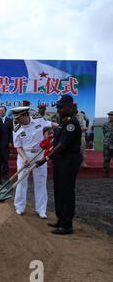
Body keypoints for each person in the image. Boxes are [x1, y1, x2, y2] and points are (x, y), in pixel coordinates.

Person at [35, 94, 82, 235]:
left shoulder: (72, 123)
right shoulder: (63, 121)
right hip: (61, 161)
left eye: (61, 107)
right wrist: (47, 148)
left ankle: (67, 225)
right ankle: (61, 219)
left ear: (69, 106)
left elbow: (62, 145)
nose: (59, 110)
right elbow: (56, 140)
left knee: (66, 192)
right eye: (58, 107)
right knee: (59, 190)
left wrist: (46, 158)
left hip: (69, 160)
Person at [11, 106, 52, 218]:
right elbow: (18, 147)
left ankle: (41, 209)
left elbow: (50, 126)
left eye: (18, 118)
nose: (16, 120)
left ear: (25, 115)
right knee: (21, 181)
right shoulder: (16, 129)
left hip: (39, 155)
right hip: (24, 155)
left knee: (40, 182)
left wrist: (50, 137)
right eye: (15, 118)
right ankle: (19, 207)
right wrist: (24, 158)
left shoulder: (39, 120)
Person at [0, 106, 13, 177]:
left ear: (5, 111)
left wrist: (10, 142)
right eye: (0, 110)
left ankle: (5, 173)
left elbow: (11, 132)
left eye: (3, 110)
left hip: (5, 143)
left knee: (5, 159)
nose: (1, 112)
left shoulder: (9, 121)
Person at [74, 103, 88, 168]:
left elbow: (87, 120)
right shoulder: (70, 115)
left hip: (81, 135)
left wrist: (87, 127)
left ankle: (83, 162)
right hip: (72, 135)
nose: (74, 108)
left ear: (76, 107)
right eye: (72, 107)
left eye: (75, 107)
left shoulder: (82, 114)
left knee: (82, 149)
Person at [102, 111, 113, 177]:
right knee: (106, 159)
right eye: (109, 115)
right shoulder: (105, 124)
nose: (110, 116)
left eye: (111, 115)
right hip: (107, 144)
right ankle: (106, 173)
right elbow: (104, 133)